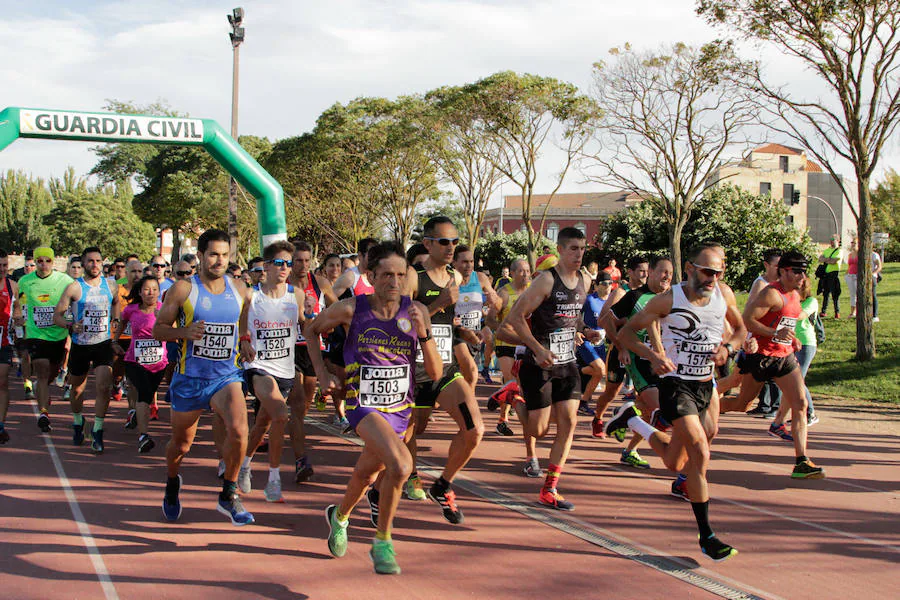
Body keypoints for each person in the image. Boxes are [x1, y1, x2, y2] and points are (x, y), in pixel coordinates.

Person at [606, 243, 745, 561]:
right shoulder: (668, 300)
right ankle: (707, 535)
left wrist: (728, 350)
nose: (712, 277)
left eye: (718, 272)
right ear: (691, 269)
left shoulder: (724, 294)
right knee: (700, 449)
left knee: (676, 462)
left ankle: (631, 419)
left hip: (705, 386)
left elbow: (740, 329)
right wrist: (653, 355)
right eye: (707, 271)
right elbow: (626, 333)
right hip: (675, 385)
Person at [312, 242, 442, 575]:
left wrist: (424, 333)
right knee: (400, 465)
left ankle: (339, 516)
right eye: (386, 275)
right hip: (362, 404)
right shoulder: (351, 309)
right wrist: (323, 373)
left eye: (401, 275)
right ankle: (382, 542)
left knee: (367, 473)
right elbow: (310, 330)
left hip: (401, 409)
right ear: (370, 276)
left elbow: (436, 373)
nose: (394, 282)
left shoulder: (417, 311)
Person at [154, 229, 255, 525]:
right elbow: (159, 328)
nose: (219, 260)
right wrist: (182, 333)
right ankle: (172, 482)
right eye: (213, 254)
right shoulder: (184, 289)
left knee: (240, 430)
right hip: (190, 377)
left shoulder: (239, 288)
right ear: (200, 255)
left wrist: (245, 338)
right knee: (181, 445)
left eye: (224, 255)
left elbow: (244, 315)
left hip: (226, 375)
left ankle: (228, 493)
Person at [500, 227, 599, 511]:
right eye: (573, 249)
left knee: (569, 423)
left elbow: (573, 315)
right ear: (560, 250)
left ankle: (550, 488)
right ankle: (513, 395)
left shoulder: (585, 280)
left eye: (582, 249)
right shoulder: (545, 281)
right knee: (538, 430)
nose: (579, 255)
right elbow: (517, 318)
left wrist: (586, 330)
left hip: (567, 363)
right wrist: (537, 348)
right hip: (539, 363)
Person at [400, 215, 484, 522]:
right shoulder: (412, 277)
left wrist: (470, 331)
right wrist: (436, 306)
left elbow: (449, 322)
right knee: (412, 430)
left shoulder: (456, 279)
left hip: (445, 369)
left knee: (475, 430)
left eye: (454, 242)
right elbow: (398, 325)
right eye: (444, 241)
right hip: (412, 370)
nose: (451, 248)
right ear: (428, 244)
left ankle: (444, 484)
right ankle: (409, 477)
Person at [720, 251, 825, 480]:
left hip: (784, 357)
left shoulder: (795, 294)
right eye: (797, 271)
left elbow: (786, 323)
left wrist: (792, 338)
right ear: (784, 271)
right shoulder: (771, 294)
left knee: (800, 404)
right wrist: (773, 333)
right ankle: (706, 408)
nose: (802, 276)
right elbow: (748, 319)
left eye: (804, 272)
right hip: (761, 357)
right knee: (741, 404)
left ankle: (801, 461)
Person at [237, 240, 306, 503]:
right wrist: (244, 339)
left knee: (262, 425)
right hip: (258, 367)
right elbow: (241, 319)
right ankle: (273, 479)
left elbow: (305, 324)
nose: (285, 268)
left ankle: (245, 463)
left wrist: (314, 319)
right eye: (279, 263)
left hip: (286, 370)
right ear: (266, 266)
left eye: (289, 263)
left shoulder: (295, 295)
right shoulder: (251, 295)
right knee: (280, 414)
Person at [608, 256, 673, 469]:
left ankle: (629, 446)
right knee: (661, 412)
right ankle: (619, 417)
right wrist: (622, 347)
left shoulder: (673, 298)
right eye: (663, 272)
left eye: (670, 274)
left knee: (648, 412)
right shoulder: (635, 296)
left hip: (666, 363)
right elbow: (609, 320)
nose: (667, 277)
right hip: (640, 362)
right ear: (651, 272)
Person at [54, 247, 121, 453]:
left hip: (102, 344)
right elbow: (59, 314)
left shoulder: (111, 285)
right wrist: (71, 325)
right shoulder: (75, 287)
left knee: (103, 387)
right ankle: (77, 421)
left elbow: (116, 303)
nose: (94, 265)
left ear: (103, 263)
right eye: (90, 261)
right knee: (77, 389)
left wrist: (115, 319)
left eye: (98, 261)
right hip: (80, 345)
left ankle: (98, 430)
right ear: (83, 264)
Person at [287, 241, 337, 483]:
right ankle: (300, 459)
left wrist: (325, 321)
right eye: (299, 260)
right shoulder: (284, 284)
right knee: (297, 405)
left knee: (305, 403)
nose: (303, 265)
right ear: (290, 261)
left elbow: (339, 308)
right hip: (288, 350)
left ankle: (291, 431)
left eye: (307, 261)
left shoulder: (321, 283)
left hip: (313, 350)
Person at [17, 247, 74, 433]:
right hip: (36, 334)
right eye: (39, 261)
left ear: (53, 262)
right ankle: (43, 413)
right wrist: (18, 318)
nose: (43, 265)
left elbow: (75, 301)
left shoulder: (65, 280)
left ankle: (43, 393)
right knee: (41, 371)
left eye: (47, 261)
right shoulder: (25, 281)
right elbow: (18, 302)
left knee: (51, 373)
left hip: (58, 335)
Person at [590, 255, 649, 437]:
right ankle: (598, 418)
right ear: (630, 272)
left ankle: (625, 418)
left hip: (641, 351)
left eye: (648, 271)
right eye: (641, 271)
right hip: (620, 350)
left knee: (646, 396)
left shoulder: (651, 294)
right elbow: (602, 320)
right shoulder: (620, 293)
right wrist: (621, 346)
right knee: (611, 392)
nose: (645, 275)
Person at [113, 275, 166, 453]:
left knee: (148, 396)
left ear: (159, 292)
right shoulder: (131, 309)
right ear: (140, 292)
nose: (151, 293)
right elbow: (121, 324)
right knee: (143, 394)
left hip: (159, 363)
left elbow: (174, 330)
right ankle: (144, 436)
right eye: (146, 289)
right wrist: (115, 341)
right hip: (134, 360)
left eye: (154, 289)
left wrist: (163, 320)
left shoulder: (164, 309)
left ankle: (137, 413)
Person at [452, 244, 502, 393]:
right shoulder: (450, 279)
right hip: (456, 333)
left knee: (463, 375)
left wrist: (493, 299)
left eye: (471, 261)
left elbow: (497, 303)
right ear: (454, 263)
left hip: (475, 333)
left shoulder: (480, 278)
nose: (469, 265)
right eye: (464, 262)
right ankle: (468, 406)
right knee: (471, 372)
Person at [746, 248, 783, 418]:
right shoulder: (761, 284)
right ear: (766, 265)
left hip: (775, 333)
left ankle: (773, 405)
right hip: (760, 333)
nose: (780, 269)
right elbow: (751, 311)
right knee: (757, 369)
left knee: (774, 368)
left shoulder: (783, 284)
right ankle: (764, 403)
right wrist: (751, 334)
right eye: (777, 265)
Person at [577, 271, 612, 416]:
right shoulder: (589, 299)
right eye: (604, 284)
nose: (608, 286)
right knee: (600, 370)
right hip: (587, 340)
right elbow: (576, 314)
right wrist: (580, 330)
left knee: (599, 373)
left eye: (610, 283)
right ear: (596, 286)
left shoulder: (613, 301)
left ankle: (583, 402)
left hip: (602, 343)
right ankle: (575, 372)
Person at [0, 250, 20, 444]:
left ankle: (1, 425)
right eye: (0, 266)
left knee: (3, 381)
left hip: (4, 341)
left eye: (5, 265)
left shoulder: (12, 285)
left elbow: (17, 308)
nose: (2, 269)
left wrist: (19, 319)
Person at [818, 235, 842, 318]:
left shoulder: (839, 251)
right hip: (826, 274)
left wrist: (826, 259)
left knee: (835, 294)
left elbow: (834, 261)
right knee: (825, 293)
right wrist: (828, 259)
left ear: (838, 241)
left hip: (834, 273)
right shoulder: (827, 250)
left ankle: (837, 311)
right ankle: (823, 311)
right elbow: (820, 259)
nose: (831, 241)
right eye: (831, 240)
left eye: (833, 240)